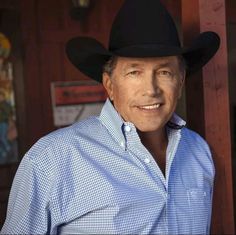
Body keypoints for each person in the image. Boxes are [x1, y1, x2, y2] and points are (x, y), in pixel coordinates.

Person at [1, 0, 220, 234]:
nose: (151, 89)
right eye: (134, 72)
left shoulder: (198, 152)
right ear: (109, 84)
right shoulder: (51, 160)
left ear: (181, 81)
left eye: (164, 72)